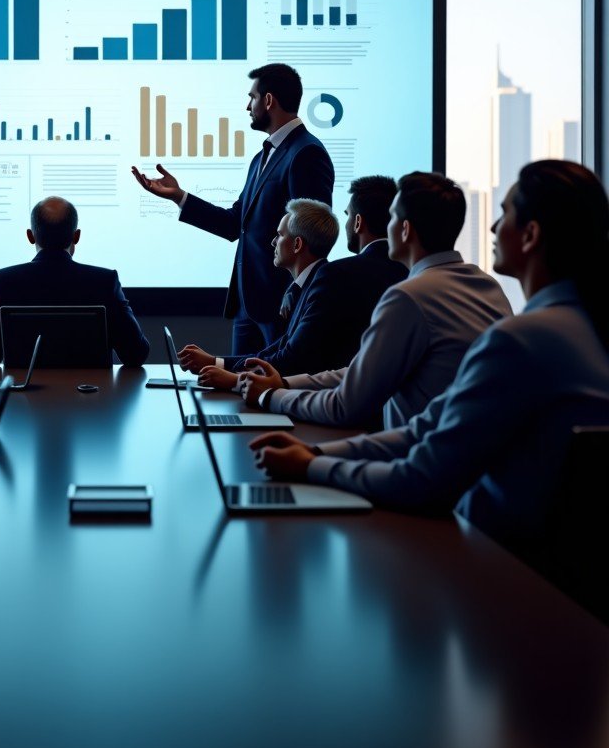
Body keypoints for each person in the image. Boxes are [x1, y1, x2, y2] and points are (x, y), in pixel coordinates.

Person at [249, 160, 609, 568]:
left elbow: (422, 476)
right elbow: (429, 426)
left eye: (504, 213)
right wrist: (314, 452)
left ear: (530, 235)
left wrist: (313, 465)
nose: (492, 228)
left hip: (488, 566)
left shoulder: (521, 340)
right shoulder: (513, 301)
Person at [240, 172, 512, 428]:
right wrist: (285, 385)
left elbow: (346, 404)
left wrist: (271, 396)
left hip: (416, 456)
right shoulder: (490, 288)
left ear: (404, 230)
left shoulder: (408, 296)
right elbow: (363, 371)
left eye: (391, 217)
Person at [131, 63, 334, 352]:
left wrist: (297, 292)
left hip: (282, 306)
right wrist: (179, 197)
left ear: (268, 100)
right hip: (247, 306)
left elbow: (314, 233)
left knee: (274, 390)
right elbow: (234, 223)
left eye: (251, 97)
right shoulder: (260, 158)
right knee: (238, 390)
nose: (247, 106)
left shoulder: (306, 153)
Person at [0, 196, 149, 367]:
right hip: (93, 394)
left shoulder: (2, 281)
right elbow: (136, 354)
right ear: (77, 236)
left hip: (23, 395)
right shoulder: (105, 281)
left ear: (30, 236)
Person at [179, 199, 339, 386]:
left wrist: (234, 379)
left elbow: (290, 360)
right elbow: (277, 350)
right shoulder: (308, 285)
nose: (273, 242)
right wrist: (216, 362)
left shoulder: (321, 287)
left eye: (279, 235)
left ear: (297, 245)